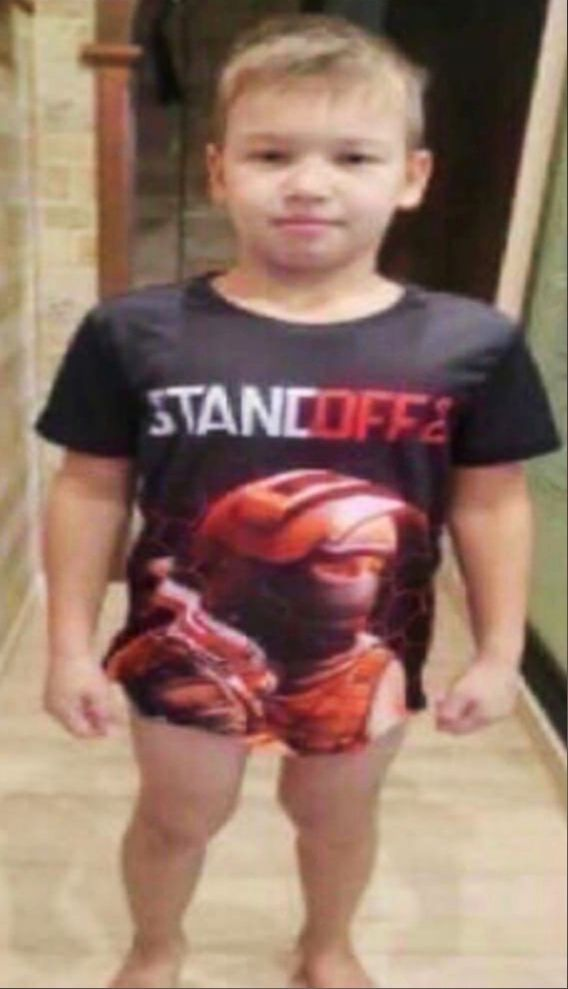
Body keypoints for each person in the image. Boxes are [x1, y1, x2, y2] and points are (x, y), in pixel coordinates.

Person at [34, 14, 561, 989]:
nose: (309, 183)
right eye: (272, 154)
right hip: (183, 640)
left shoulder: (470, 344)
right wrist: (68, 644)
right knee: (176, 816)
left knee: (334, 817)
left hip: (368, 651)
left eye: (353, 156)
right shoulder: (135, 332)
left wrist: (497, 651)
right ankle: (155, 946)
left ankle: (326, 944)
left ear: (410, 176)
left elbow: (491, 505)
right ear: (219, 171)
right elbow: (89, 484)